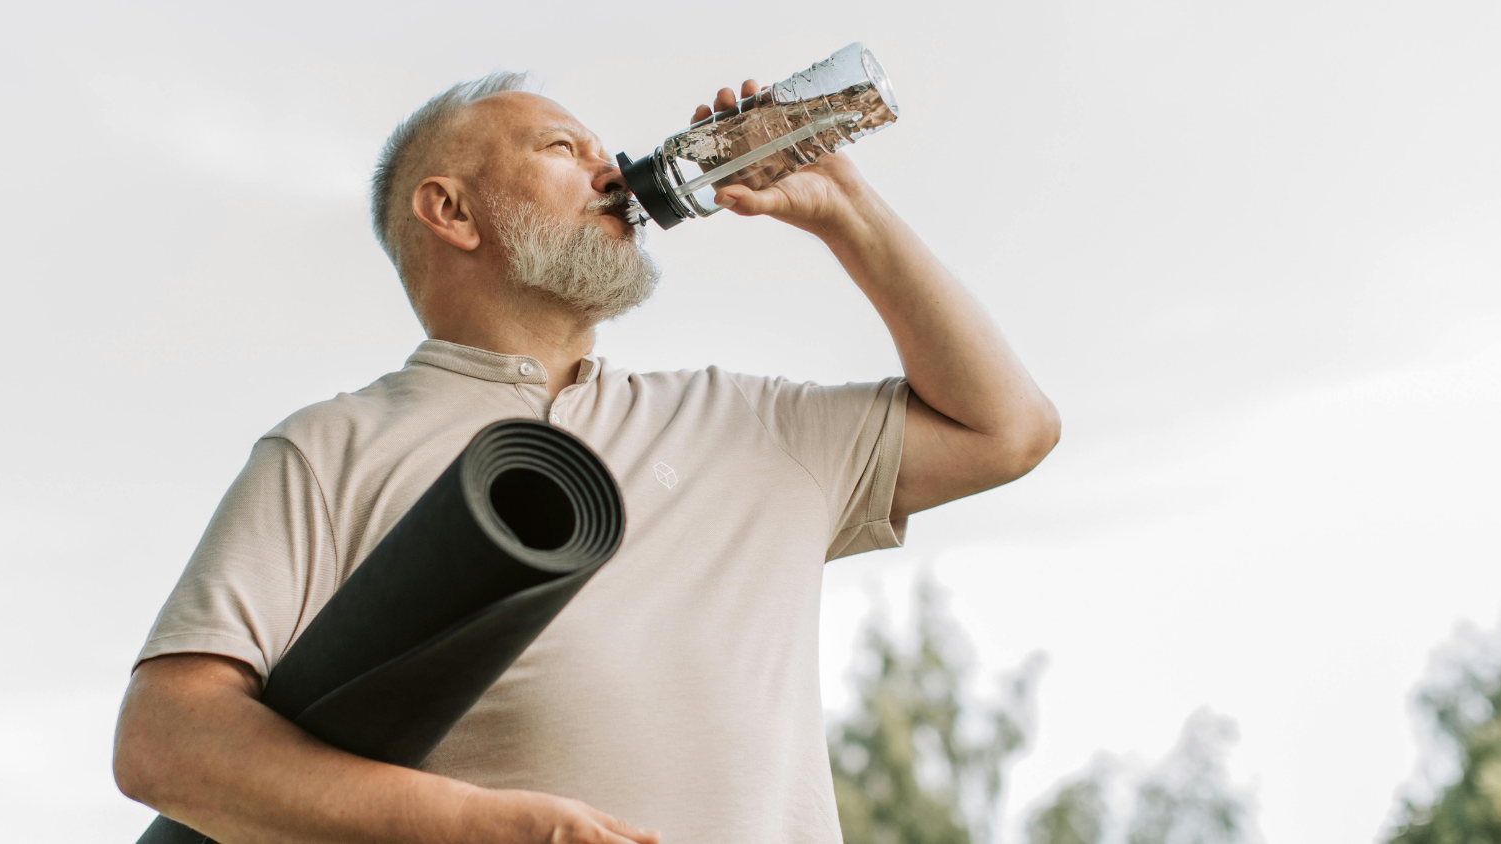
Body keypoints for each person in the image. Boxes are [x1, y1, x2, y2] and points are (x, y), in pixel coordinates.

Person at [111, 71, 1059, 844]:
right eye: (562, 148)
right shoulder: (331, 449)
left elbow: (1008, 429)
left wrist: (846, 208)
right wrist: (473, 826)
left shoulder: (747, 421)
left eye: (602, 149)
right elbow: (164, 743)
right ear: (452, 211)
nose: (610, 168)